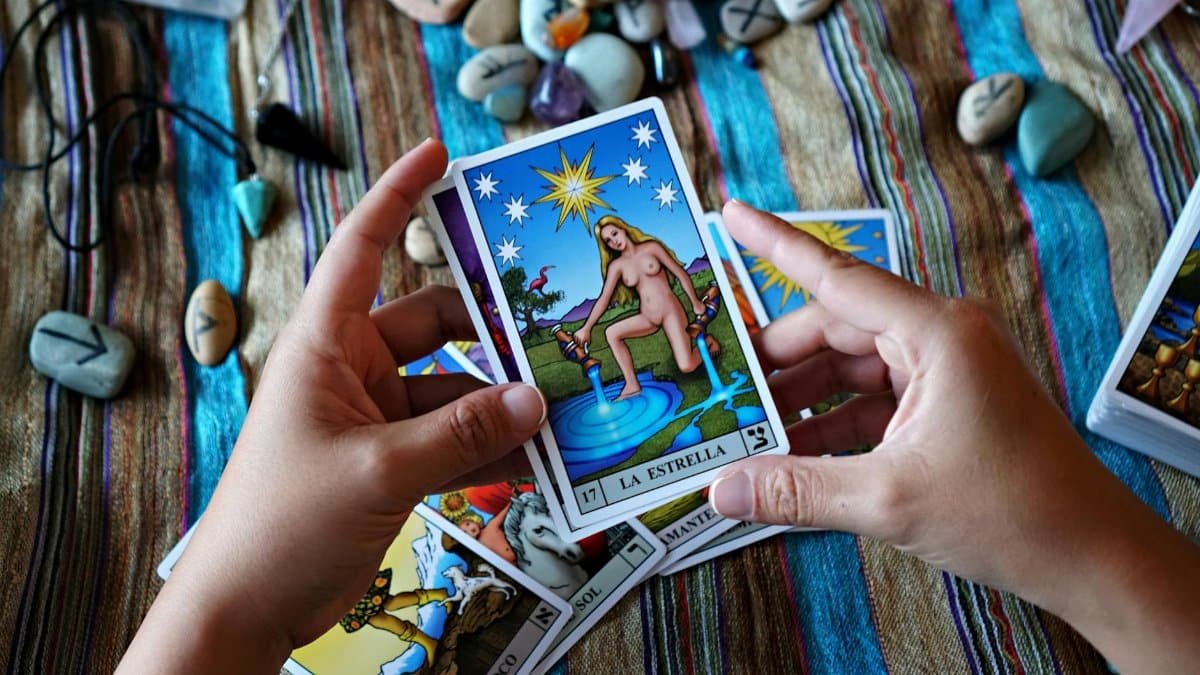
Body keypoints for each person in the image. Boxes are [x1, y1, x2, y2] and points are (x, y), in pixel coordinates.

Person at [117, 140, 1200, 674]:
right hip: (644, 342)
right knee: (625, 350)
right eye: (613, 241)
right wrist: (594, 343)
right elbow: (597, 314)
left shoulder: (656, 269)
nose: (616, 244)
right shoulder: (617, 274)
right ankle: (638, 386)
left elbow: (668, 298)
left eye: (618, 238)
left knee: (655, 349)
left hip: (682, 336)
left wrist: (234, 609)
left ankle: (650, 386)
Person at [573, 214, 718, 400]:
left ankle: (708, 342)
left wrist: (695, 303)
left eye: (615, 234)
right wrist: (587, 327)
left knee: (686, 366)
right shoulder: (616, 266)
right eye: (608, 241)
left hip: (670, 312)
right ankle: (632, 383)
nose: (614, 242)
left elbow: (680, 273)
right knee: (612, 332)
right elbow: (604, 299)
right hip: (647, 317)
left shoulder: (651, 247)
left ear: (623, 229)